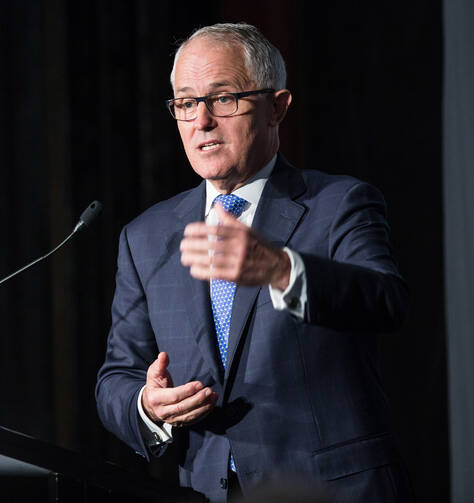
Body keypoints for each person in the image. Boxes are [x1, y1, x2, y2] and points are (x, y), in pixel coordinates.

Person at [95, 23, 412, 503]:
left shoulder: (340, 203)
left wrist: (283, 270)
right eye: (185, 103)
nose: (201, 122)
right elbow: (116, 375)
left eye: (223, 99)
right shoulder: (146, 237)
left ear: (277, 107)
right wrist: (147, 405)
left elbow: (386, 301)